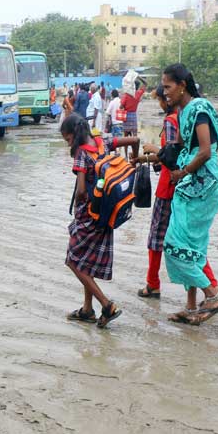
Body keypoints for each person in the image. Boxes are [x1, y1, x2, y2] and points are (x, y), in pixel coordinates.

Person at [131, 85, 218, 300]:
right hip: (178, 187)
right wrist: (146, 159)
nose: (162, 101)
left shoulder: (173, 122)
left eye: (163, 96)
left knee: (162, 240)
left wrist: (154, 152)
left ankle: (155, 284)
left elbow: (173, 158)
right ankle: (207, 291)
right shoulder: (182, 119)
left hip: (170, 190)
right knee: (187, 241)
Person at [160, 63, 218, 325]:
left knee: (174, 246)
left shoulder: (198, 109)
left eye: (168, 87)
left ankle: (212, 295)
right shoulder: (184, 110)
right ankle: (190, 308)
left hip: (202, 185)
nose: (165, 92)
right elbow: (181, 146)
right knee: (193, 248)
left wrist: (182, 173)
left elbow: (204, 151)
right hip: (194, 185)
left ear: (182, 85)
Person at [61, 113, 140, 328]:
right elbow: (135, 140)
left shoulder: (81, 154)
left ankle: (106, 305)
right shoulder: (102, 142)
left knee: (73, 261)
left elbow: (80, 191)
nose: (68, 144)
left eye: (67, 139)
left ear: (74, 135)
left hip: (88, 215)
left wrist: (82, 200)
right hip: (107, 214)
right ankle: (87, 310)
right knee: (87, 262)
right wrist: (134, 159)